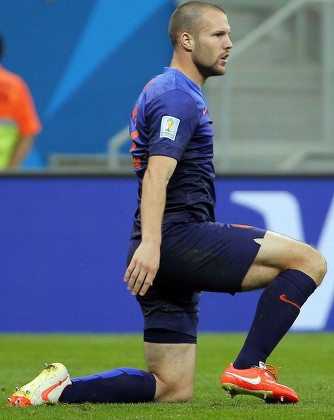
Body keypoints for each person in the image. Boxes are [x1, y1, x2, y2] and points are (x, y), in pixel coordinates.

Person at [7, 1, 326, 407]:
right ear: (187, 40)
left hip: (160, 244)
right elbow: (158, 174)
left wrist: (150, 243)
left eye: (228, 33)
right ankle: (249, 366)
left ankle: (58, 392)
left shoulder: (166, 90)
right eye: (219, 35)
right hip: (176, 239)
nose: (230, 43)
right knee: (309, 261)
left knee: (171, 388)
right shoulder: (178, 97)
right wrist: (155, 245)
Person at [0, 33, 41, 170]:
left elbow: (28, 132)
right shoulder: (16, 85)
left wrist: (9, 173)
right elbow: (28, 133)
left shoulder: (15, 87)